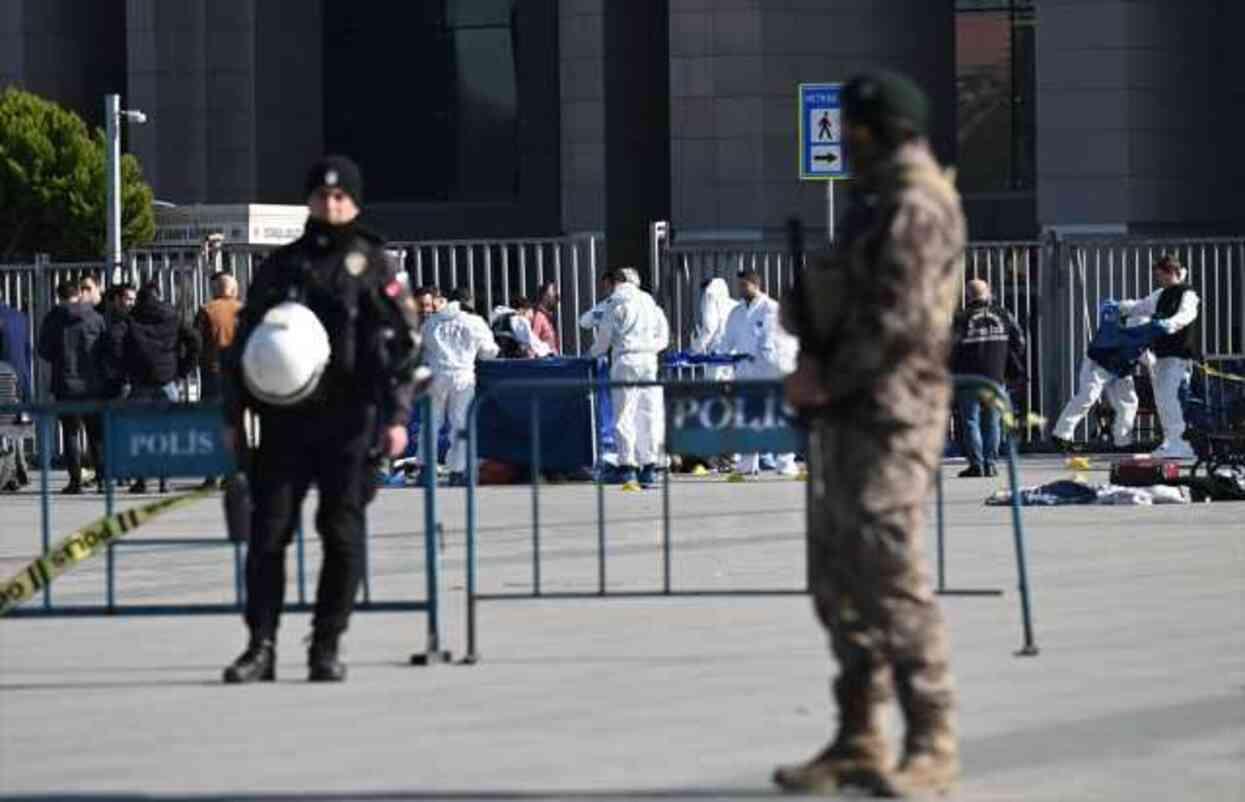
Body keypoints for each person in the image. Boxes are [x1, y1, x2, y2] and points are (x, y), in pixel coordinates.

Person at [776, 72, 964, 796]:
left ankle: (931, 741)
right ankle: (858, 736)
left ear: (879, 131)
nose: (843, 145)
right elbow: (827, 296)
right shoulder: (871, 203)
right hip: (847, 414)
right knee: (839, 581)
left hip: (890, 414)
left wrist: (827, 376)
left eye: (852, 132)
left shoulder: (917, 204)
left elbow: (903, 323)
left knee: (892, 579)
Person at [220, 155, 423, 684]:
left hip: (350, 422)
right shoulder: (282, 265)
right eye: (320, 196)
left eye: (340, 198)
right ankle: (259, 645)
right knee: (268, 535)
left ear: (354, 203)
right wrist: (232, 416)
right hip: (285, 420)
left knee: (341, 533)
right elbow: (243, 347)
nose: (330, 206)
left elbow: (405, 349)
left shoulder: (375, 265)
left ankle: (326, 645)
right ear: (308, 201)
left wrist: (398, 418)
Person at [1115, 255, 1200, 460]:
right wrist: (1119, 306)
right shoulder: (1161, 294)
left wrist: (1168, 324)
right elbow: (1141, 306)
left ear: (1172, 272)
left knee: (1169, 398)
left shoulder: (1187, 294)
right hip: (1163, 354)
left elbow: (1186, 316)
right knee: (1163, 399)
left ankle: (1180, 442)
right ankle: (1172, 441)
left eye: (1162, 275)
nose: (1159, 280)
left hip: (1178, 354)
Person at [590, 268, 670, 487]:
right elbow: (664, 336)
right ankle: (650, 467)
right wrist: (649, 349)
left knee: (624, 414)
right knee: (648, 413)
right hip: (648, 361)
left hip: (625, 360)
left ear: (618, 281)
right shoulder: (649, 302)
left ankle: (628, 468)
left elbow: (604, 339)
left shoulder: (615, 301)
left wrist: (592, 354)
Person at [119, 282, 201, 493]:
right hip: (167, 381)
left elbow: (120, 347)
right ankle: (165, 481)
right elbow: (195, 340)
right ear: (159, 295)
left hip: (140, 383)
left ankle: (142, 480)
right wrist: (182, 370)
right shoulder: (172, 316)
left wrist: (127, 371)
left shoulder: (131, 318)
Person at [722, 270, 800, 477]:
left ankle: (785, 463)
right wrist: (717, 358)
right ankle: (748, 463)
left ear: (756, 285)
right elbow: (726, 342)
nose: (740, 289)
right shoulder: (736, 312)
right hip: (746, 372)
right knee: (748, 417)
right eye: (739, 285)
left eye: (744, 285)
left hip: (771, 372)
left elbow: (783, 341)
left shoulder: (772, 309)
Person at [1050, 300, 1155, 452]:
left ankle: (1122, 441)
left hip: (1120, 370)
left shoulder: (1137, 326)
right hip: (1099, 364)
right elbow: (1147, 357)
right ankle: (1061, 435)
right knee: (1087, 397)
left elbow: (1148, 359)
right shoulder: (1127, 327)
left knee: (1129, 403)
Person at [949, 279, 1026, 477]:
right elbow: (1020, 341)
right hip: (996, 377)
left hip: (969, 378)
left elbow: (950, 349)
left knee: (970, 421)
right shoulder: (1003, 315)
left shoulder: (962, 319)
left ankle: (977, 464)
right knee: (993, 420)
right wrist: (1008, 363)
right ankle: (991, 464)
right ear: (989, 293)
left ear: (968, 295)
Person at [421, 295, 500, 485]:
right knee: (461, 424)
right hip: (463, 377)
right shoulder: (474, 322)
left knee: (431, 422)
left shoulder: (432, 322)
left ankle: (425, 469)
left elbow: (421, 349)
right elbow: (489, 352)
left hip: (435, 375)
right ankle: (458, 471)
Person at [37, 280, 106, 494]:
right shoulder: (96, 317)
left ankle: (75, 481)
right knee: (96, 433)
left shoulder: (54, 318)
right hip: (93, 385)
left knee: (71, 433)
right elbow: (105, 348)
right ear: (78, 294)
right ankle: (102, 480)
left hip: (65, 385)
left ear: (59, 297)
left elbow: (44, 351)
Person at [195, 272, 242, 488]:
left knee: (210, 425)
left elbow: (196, 343)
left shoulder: (206, 310)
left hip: (212, 374)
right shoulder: (243, 311)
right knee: (234, 425)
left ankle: (211, 475)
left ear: (216, 290)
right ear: (234, 290)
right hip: (237, 375)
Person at [0, 300, 32, 488]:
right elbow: (27, 351)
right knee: (14, 423)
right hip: (20, 376)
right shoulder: (19, 316)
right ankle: (20, 469)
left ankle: (11, 472)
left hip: (3, 376)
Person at [689, 277, 740, 381]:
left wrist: (695, 349)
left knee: (712, 389)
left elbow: (709, 328)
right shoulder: (734, 304)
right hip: (733, 354)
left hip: (718, 352)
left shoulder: (709, 299)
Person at [531, 281, 561, 355]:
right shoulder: (539, 317)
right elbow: (532, 343)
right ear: (544, 296)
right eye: (553, 291)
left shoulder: (548, 318)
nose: (556, 295)